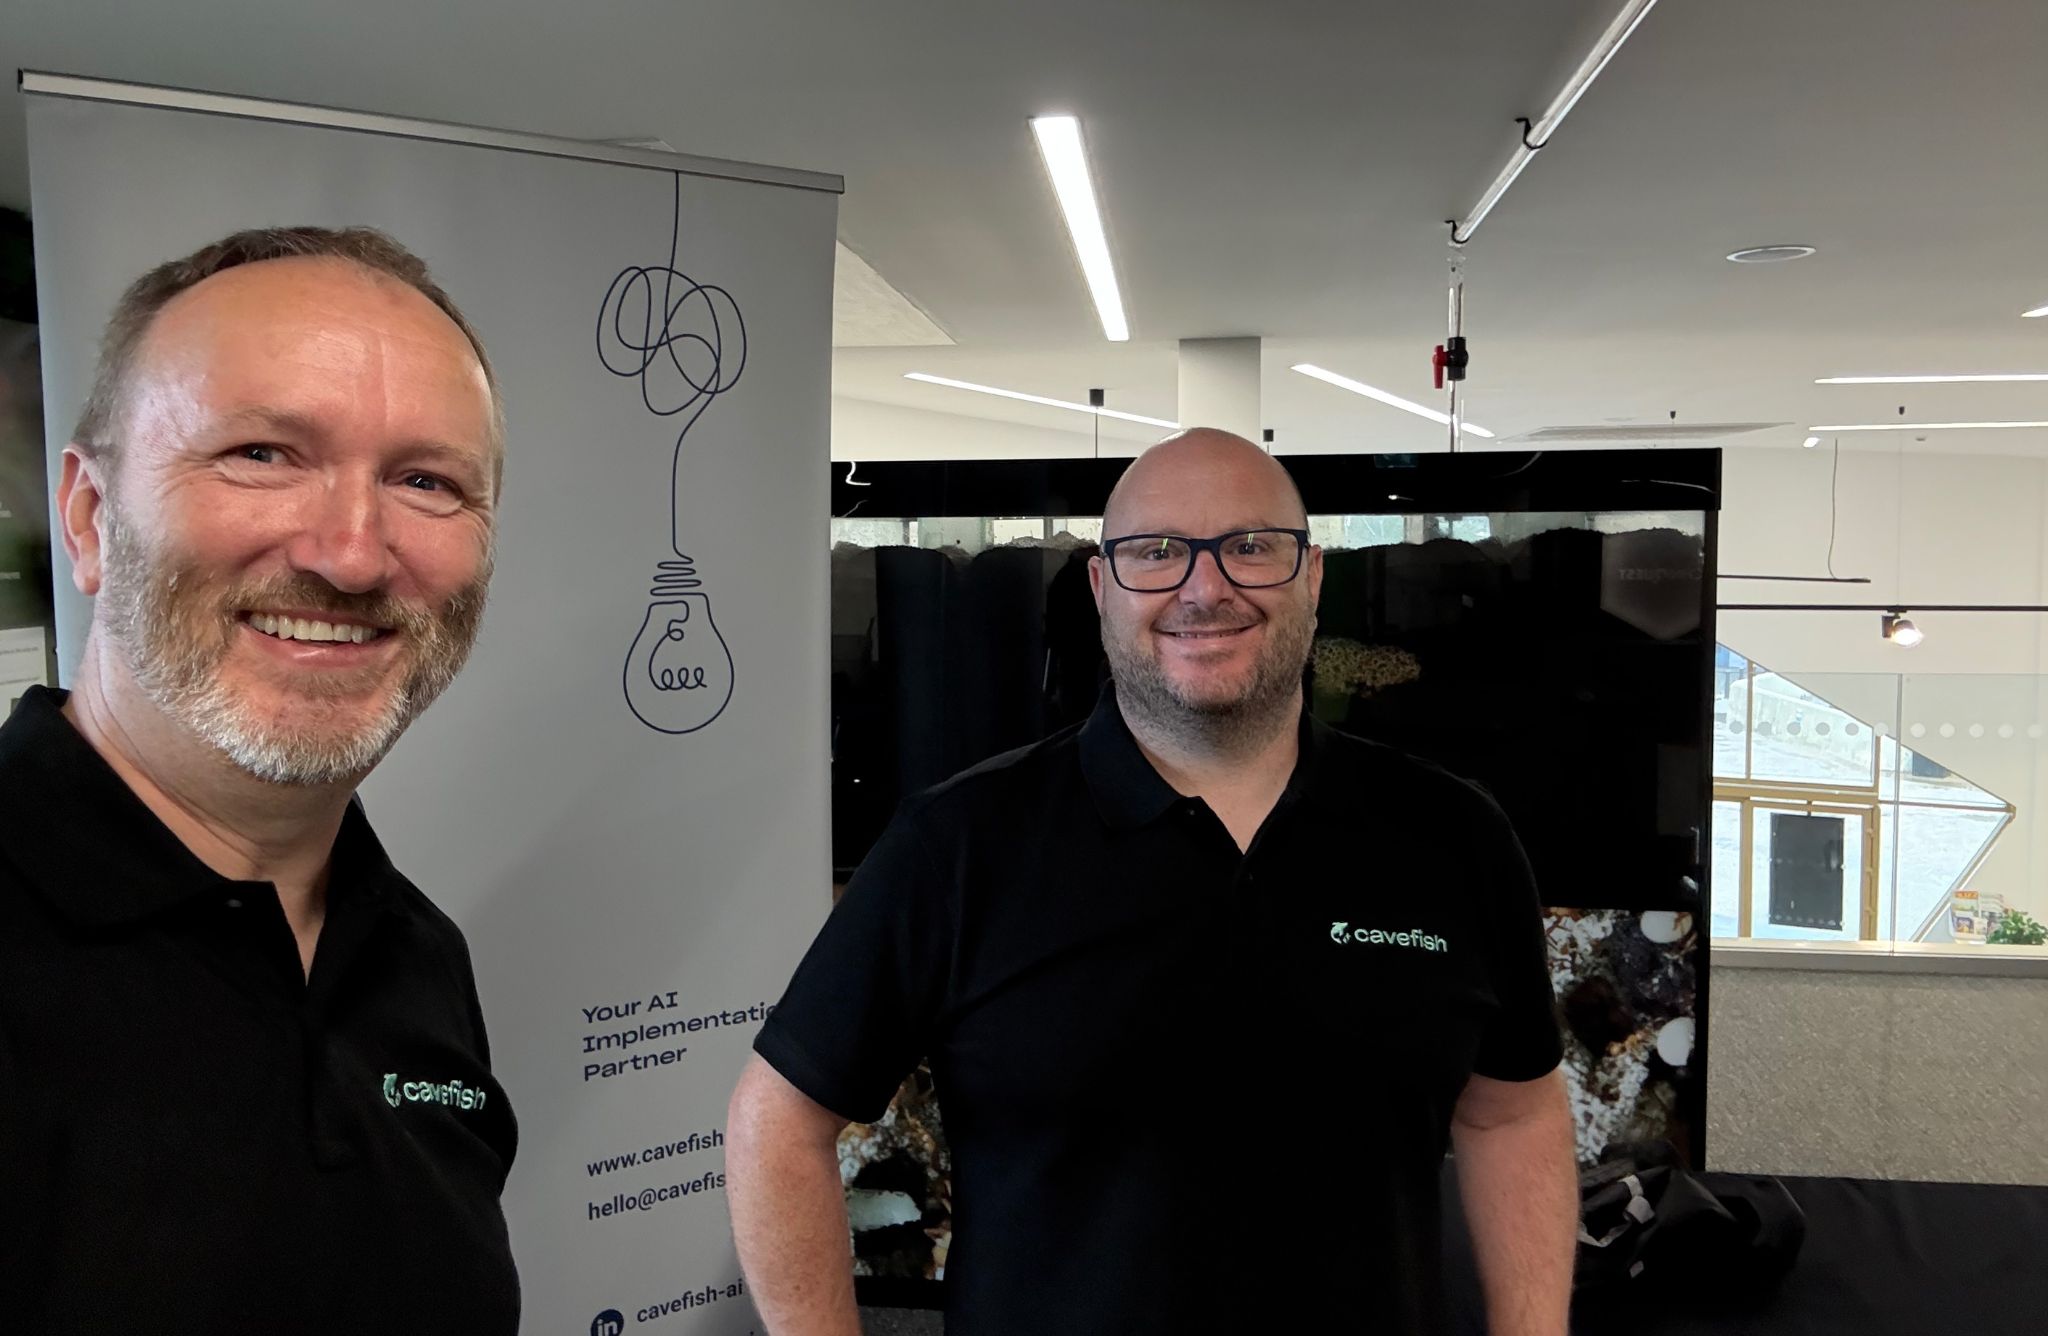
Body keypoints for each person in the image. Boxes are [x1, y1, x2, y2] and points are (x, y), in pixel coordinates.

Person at [729, 429, 1578, 1335]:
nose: (1204, 589)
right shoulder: (959, 844)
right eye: (1156, 552)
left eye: (1251, 547)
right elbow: (777, 1119)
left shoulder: (1454, 837)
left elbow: (1511, 1117)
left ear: (1314, 577)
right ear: (1101, 588)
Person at [0, 228, 519, 1333]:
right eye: (261, 454)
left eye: (426, 480)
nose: (351, 553)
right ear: (90, 519)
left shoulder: (415, 954)